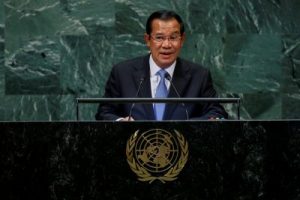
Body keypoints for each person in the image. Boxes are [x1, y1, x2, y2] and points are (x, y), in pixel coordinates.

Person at [95, 10, 228, 121]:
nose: (166, 45)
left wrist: (189, 126)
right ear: (147, 40)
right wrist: (121, 122)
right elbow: (104, 113)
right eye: (159, 38)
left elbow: (217, 113)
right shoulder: (123, 73)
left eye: (173, 37)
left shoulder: (199, 76)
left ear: (182, 40)